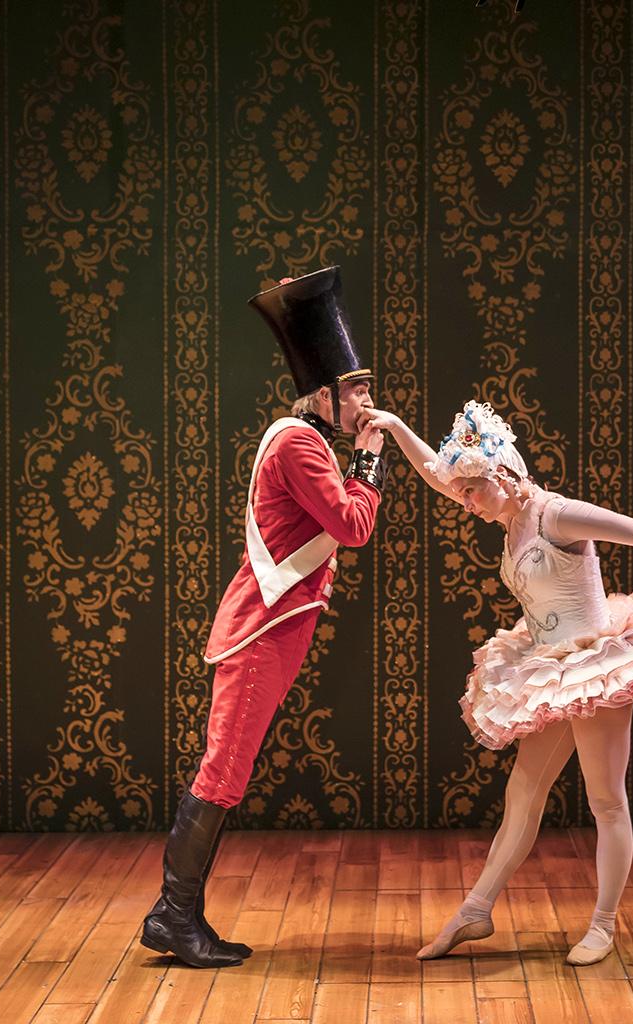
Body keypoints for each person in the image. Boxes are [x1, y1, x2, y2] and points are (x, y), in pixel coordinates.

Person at [359, 399, 633, 966]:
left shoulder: (555, 515)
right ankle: (476, 910)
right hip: (548, 668)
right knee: (523, 790)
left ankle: (603, 924)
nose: (464, 504)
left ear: (503, 476)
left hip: (594, 666)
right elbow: (439, 474)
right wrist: (394, 427)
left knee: (606, 801)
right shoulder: (507, 512)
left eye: (472, 492)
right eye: (463, 494)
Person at [142, 268, 387, 968]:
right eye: (358, 388)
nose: (368, 400)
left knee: (227, 774)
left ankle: (176, 916)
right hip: (260, 636)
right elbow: (351, 526)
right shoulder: (299, 444)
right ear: (324, 393)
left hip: (275, 636)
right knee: (221, 775)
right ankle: (173, 917)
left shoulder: (306, 442)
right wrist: (369, 464)